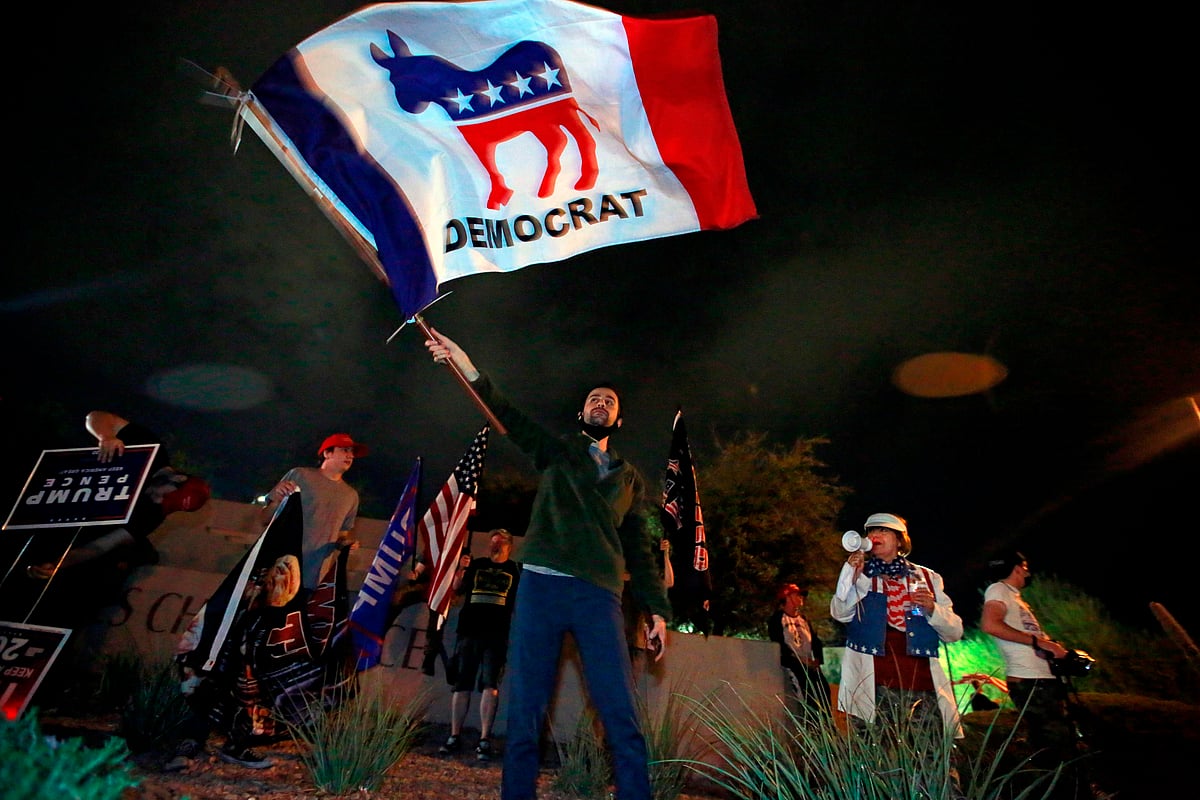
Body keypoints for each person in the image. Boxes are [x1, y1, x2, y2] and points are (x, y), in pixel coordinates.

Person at [425, 327, 670, 800]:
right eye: (594, 399)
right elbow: (511, 417)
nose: (601, 403)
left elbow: (640, 547)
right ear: (582, 414)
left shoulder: (629, 479)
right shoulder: (557, 451)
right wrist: (469, 368)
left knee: (619, 708)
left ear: (618, 421)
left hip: (598, 595)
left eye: (610, 401)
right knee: (527, 709)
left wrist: (657, 608)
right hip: (541, 586)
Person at [18, 410, 209, 706]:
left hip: (61, 546)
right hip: (41, 513)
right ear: (177, 478)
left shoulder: (151, 513)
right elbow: (95, 416)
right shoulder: (150, 451)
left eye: (168, 507)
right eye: (165, 497)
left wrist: (58, 565)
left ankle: (34, 694)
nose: (160, 503)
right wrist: (107, 436)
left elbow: (101, 547)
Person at [980, 550, 1109, 799]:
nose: (1028, 573)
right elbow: (990, 625)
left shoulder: (1015, 598)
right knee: (1057, 746)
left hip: (1042, 681)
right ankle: (1075, 794)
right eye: (1025, 567)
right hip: (1031, 683)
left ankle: (1080, 791)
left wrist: (1055, 651)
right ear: (1017, 568)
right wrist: (1039, 643)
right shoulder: (998, 590)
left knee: (1063, 742)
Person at [829, 512, 964, 741]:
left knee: (928, 754)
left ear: (900, 540)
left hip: (921, 684)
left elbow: (955, 632)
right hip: (873, 685)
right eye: (871, 531)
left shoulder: (928, 577)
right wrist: (853, 578)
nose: (875, 535)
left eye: (883, 530)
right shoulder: (861, 574)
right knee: (875, 756)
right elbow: (840, 613)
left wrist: (932, 608)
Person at [438, 528, 522, 762]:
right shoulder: (477, 565)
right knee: (461, 684)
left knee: (490, 684)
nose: (496, 546)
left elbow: (522, 601)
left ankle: (484, 738)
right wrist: (462, 568)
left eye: (501, 543)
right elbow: (456, 588)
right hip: (469, 631)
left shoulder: (514, 570)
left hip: (496, 634)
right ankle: (454, 734)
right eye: (493, 542)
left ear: (509, 546)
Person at [258, 432, 365, 592]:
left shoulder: (351, 495)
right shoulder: (300, 476)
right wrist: (277, 499)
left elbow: (342, 534)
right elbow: (265, 518)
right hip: (280, 571)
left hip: (315, 578)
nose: (350, 456)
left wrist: (346, 543)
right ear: (327, 453)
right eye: (344, 450)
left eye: (352, 452)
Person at [767, 583, 828, 718]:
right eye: (797, 594)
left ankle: (827, 725)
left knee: (824, 690)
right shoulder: (778, 619)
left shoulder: (804, 619)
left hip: (809, 664)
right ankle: (813, 726)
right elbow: (779, 644)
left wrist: (817, 659)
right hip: (793, 665)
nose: (801, 598)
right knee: (807, 694)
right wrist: (800, 660)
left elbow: (815, 641)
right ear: (787, 597)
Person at [624, 537, 674, 684]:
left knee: (629, 688)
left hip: (635, 644)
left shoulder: (640, 583)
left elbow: (668, 582)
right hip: (615, 641)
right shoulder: (615, 580)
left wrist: (665, 555)